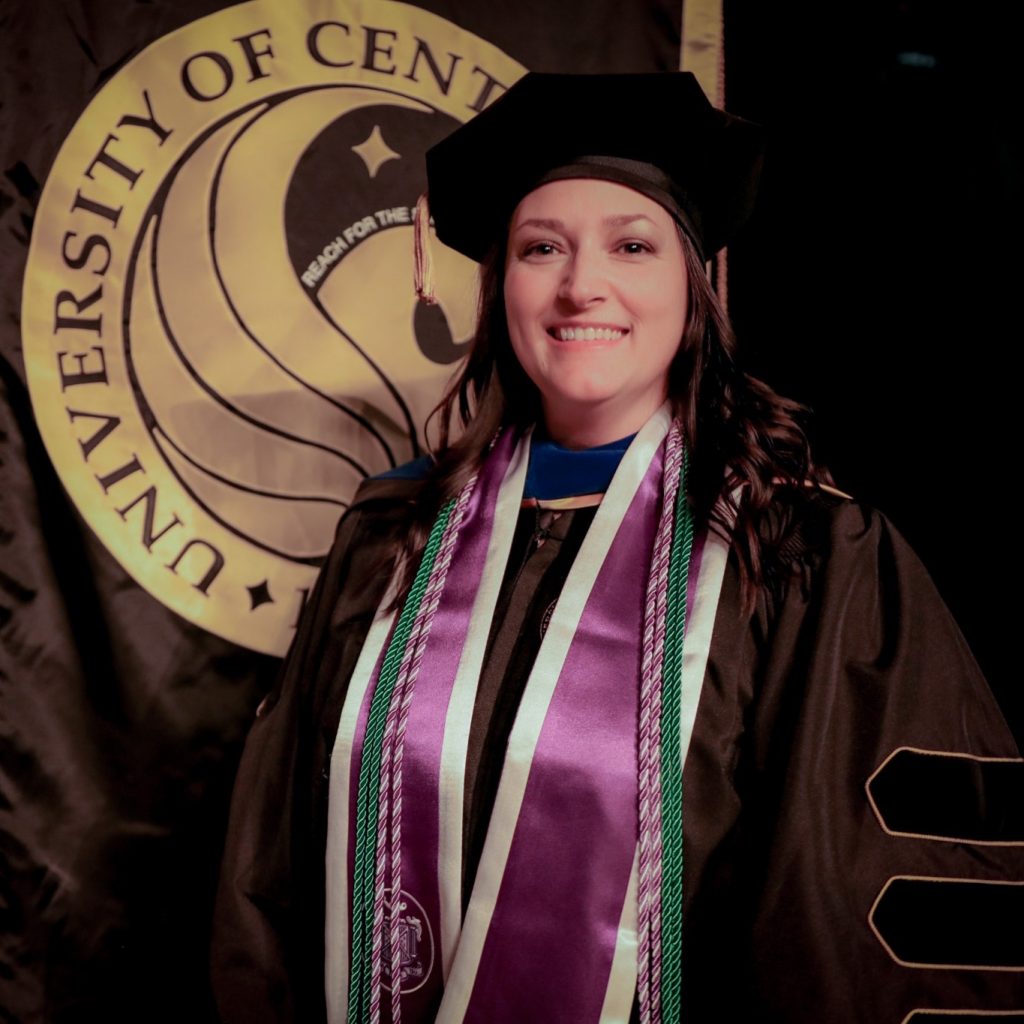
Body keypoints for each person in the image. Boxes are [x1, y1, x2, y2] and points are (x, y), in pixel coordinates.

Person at [211, 72, 1023, 1024]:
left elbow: (840, 922)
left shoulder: (807, 558)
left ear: (697, 281)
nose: (580, 284)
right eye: (540, 247)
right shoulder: (389, 539)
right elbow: (270, 873)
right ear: (498, 285)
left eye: (631, 246)